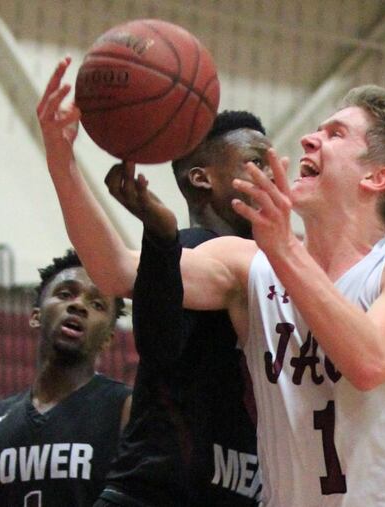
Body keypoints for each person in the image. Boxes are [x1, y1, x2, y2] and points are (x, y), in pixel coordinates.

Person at [40, 55, 385, 506]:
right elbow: (116, 270)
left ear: (377, 178)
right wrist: (62, 162)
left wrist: (283, 248)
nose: (308, 139)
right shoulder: (251, 264)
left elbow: (370, 361)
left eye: (335, 134)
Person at [37, 59, 265, 507]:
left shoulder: (286, 269)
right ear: (202, 178)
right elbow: (118, 274)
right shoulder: (201, 251)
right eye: (257, 161)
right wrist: (62, 161)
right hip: (159, 493)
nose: (273, 171)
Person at [0, 250, 131, 507]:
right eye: (65, 294)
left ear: (108, 338)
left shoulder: (127, 409)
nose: (78, 305)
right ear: (35, 316)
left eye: (97, 304)